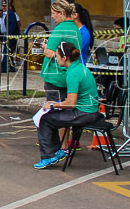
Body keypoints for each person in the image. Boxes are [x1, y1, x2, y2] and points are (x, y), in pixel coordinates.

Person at [34, 41, 102, 169]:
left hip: (84, 113)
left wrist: (53, 105)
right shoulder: (79, 67)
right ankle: (54, 151)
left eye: (57, 56)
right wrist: (56, 104)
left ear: (64, 58)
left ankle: (48, 155)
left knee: (45, 120)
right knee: (51, 117)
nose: (56, 59)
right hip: (89, 110)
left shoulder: (72, 74)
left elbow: (71, 103)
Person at [40, 0, 82, 102]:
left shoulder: (59, 29)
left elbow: (49, 53)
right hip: (69, 74)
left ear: (61, 13)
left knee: (55, 109)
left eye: (54, 13)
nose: (52, 16)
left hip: (56, 76)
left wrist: (45, 47)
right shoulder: (75, 29)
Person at [0, 0, 21, 74]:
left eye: (5, 6)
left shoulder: (11, 14)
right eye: (3, 6)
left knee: (6, 51)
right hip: (9, 35)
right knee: (10, 52)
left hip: (10, 36)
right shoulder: (7, 14)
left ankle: (4, 67)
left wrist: (9, 35)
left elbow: (12, 26)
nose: (3, 8)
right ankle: (11, 67)